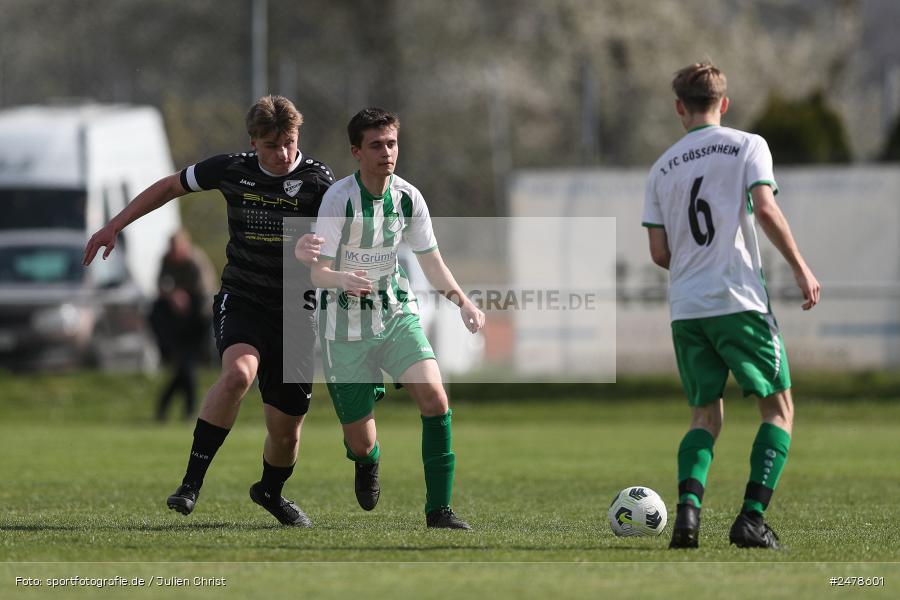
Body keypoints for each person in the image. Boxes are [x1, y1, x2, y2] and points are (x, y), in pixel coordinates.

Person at [83, 95, 330, 527]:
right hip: (244, 299)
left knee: (286, 430)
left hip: (297, 312)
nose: (283, 153)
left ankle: (269, 491)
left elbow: (348, 238)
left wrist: (323, 255)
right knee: (237, 374)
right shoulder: (231, 169)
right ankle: (190, 484)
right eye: (272, 145)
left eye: (290, 142)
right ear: (253, 142)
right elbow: (167, 187)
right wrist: (114, 226)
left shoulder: (318, 183)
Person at [642, 62, 821, 549]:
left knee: (704, 417)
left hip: (686, 307)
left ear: (680, 107)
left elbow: (659, 254)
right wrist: (802, 267)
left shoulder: (661, 167)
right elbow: (764, 207)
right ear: (725, 103)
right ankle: (751, 520)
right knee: (778, 409)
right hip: (739, 299)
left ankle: (687, 518)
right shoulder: (748, 145)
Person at [302, 107, 484, 529]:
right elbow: (316, 272)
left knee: (436, 400)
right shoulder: (339, 200)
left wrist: (463, 302)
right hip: (343, 328)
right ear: (356, 152)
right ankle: (368, 461)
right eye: (376, 145)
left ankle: (439, 511)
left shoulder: (408, 197)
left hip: (395, 314)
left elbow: (432, 262)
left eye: (392, 143)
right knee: (361, 443)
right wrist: (342, 277)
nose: (387, 152)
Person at [149, 229, 215, 422]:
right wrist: (173, 296)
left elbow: (205, 294)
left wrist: (185, 299)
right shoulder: (166, 260)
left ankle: (173, 409)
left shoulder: (196, 261)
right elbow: (161, 286)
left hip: (198, 320)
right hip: (176, 320)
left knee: (185, 365)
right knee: (184, 367)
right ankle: (185, 411)